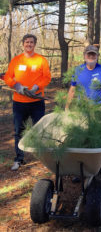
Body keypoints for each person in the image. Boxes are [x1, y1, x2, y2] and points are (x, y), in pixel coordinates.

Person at [4, 34, 51, 171]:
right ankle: (19, 159)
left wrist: (37, 87)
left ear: (34, 44)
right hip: (19, 103)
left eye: (31, 42)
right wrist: (17, 86)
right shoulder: (16, 60)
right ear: (23, 44)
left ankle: (44, 159)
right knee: (19, 131)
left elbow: (47, 77)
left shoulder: (41, 60)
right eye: (26, 42)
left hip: (37, 101)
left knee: (40, 130)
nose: (29, 44)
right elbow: (7, 77)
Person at [66, 45, 101, 111]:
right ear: (84, 55)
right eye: (89, 54)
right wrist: (67, 107)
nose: (91, 56)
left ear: (97, 56)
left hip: (99, 107)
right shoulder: (77, 70)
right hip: (82, 107)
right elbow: (72, 90)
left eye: (93, 54)